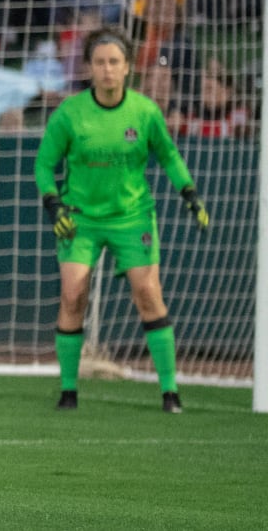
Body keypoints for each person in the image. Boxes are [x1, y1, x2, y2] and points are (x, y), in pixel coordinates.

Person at [34, 26, 209, 414]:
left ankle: (170, 392)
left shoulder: (144, 112)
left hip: (132, 217)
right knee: (72, 294)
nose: (107, 69)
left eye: (114, 62)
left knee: (148, 294)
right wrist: (53, 204)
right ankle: (68, 391)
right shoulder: (70, 113)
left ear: (128, 67)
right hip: (79, 218)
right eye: (100, 62)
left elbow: (169, 156)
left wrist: (190, 194)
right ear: (90, 68)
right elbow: (44, 165)